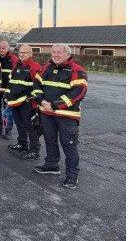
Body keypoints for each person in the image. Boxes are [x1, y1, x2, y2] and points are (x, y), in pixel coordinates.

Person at [32, 43, 88, 190]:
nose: (56, 55)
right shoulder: (46, 68)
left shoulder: (77, 70)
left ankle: (72, 175)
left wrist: (54, 105)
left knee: (69, 145)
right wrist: (41, 100)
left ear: (68, 54)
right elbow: (36, 84)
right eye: (53, 52)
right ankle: (51, 165)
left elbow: (78, 93)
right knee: (49, 140)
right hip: (46, 112)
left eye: (59, 52)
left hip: (67, 115)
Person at [5, 44, 42, 160]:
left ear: (30, 54)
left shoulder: (35, 67)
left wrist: (30, 98)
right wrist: (7, 95)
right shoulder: (17, 65)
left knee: (31, 127)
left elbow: (40, 86)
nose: (21, 54)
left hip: (27, 103)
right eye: (20, 52)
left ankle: (34, 151)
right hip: (15, 101)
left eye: (24, 53)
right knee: (20, 124)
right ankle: (22, 145)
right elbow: (11, 82)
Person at [0, 40, 18, 138]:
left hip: (8, 89)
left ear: (8, 48)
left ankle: (8, 130)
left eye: (3, 48)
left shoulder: (13, 59)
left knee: (8, 111)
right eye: (0, 48)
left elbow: (15, 76)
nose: (1, 50)